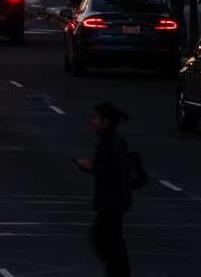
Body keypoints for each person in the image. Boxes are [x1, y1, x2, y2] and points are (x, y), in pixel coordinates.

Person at [75, 101, 135, 277]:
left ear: (105, 120)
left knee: (102, 238)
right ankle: (117, 273)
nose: (93, 121)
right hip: (112, 200)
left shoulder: (114, 141)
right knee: (111, 241)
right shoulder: (109, 140)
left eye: (96, 118)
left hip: (113, 201)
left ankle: (119, 273)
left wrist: (91, 166)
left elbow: (114, 169)